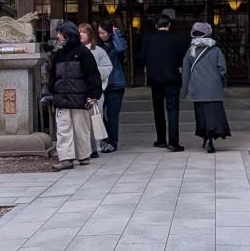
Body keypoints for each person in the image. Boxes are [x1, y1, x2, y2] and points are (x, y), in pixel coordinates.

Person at [41, 21, 102, 171]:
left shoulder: (84, 53)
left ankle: (83, 155)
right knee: (63, 129)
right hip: (63, 98)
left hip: (80, 98)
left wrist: (94, 95)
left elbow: (93, 76)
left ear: (67, 35)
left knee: (81, 129)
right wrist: (50, 92)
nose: (58, 37)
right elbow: (53, 77)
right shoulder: (59, 55)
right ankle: (66, 158)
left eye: (60, 34)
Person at [139, 13, 188, 151]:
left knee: (158, 109)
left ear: (156, 25)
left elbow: (142, 59)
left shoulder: (148, 40)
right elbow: (181, 59)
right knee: (173, 110)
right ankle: (173, 142)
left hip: (155, 79)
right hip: (172, 78)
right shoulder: (177, 40)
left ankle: (161, 139)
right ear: (169, 25)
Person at [181, 21, 230, 154]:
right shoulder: (216, 50)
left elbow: (186, 73)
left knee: (201, 115)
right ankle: (211, 140)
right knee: (213, 114)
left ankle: (206, 137)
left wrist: (184, 90)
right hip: (213, 89)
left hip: (197, 89)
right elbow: (222, 69)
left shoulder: (190, 51)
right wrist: (221, 82)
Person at [78, 22, 111, 159]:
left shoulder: (98, 51)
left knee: (95, 119)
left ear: (90, 34)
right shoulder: (75, 50)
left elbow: (108, 67)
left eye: (84, 31)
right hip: (79, 91)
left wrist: (94, 70)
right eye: (79, 31)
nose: (81, 34)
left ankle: (95, 147)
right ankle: (83, 147)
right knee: (81, 121)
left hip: (94, 91)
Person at [96, 22, 127, 153]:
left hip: (115, 83)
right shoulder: (97, 46)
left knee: (113, 115)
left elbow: (121, 48)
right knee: (98, 113)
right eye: (99, 33)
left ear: (109, 33)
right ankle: (107, 136)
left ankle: (113, 142)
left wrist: (116, 34)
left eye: (103, 33)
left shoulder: (116, 43)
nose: (101, 35)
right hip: (101, 84)